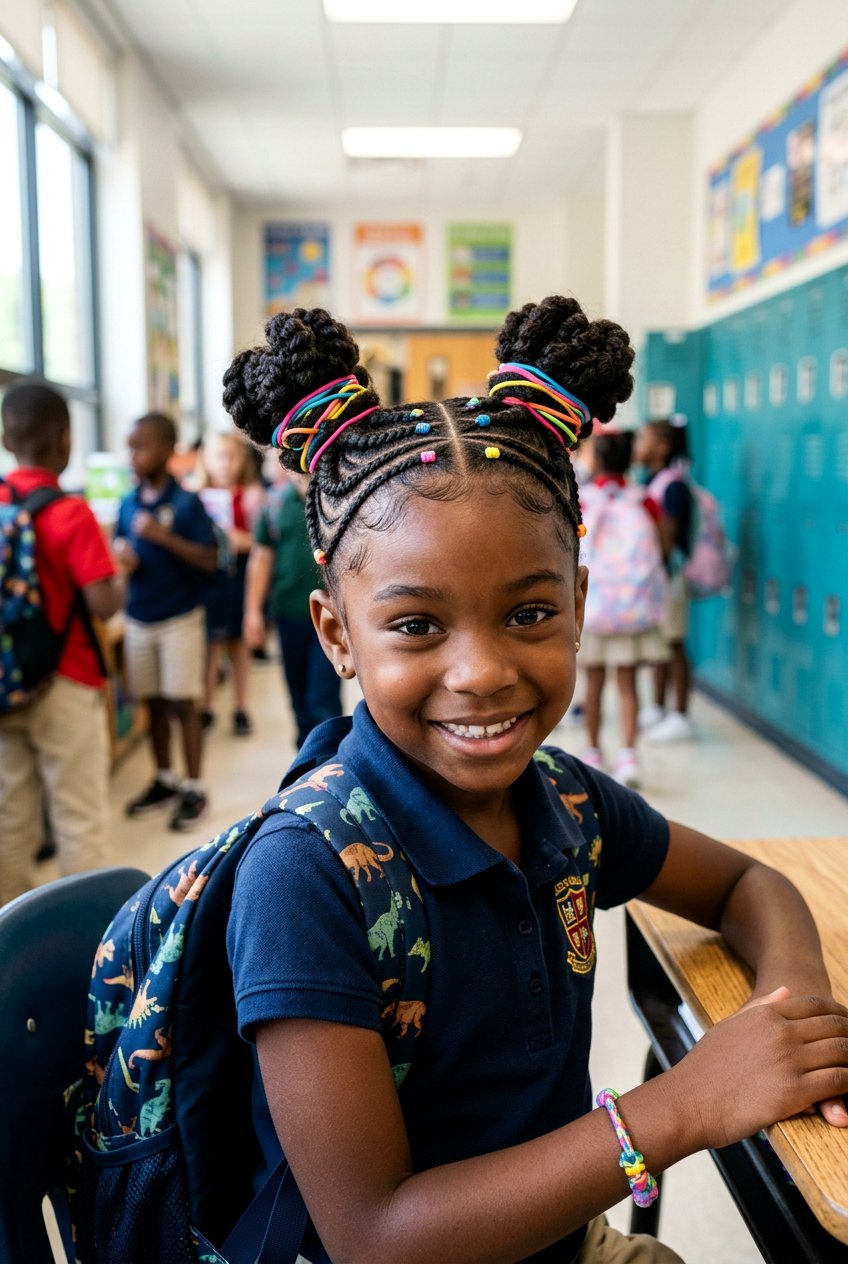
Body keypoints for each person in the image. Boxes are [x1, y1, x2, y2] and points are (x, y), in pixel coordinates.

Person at [222, 299, 848, 1264]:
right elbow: (374, 1237)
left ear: (582, 606)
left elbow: (744, 884)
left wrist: (789, 1018)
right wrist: (681, 1105)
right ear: (337, 633)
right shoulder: (306, 877)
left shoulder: (562, 798)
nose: (482, 671)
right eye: (418, 626)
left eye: (528, 614)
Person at [0, 381, 123, 904]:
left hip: (6, 683)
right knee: (78, 817)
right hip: (67, 681)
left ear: (7, 439)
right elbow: (103, 604)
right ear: (64, 441)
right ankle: (83, 946)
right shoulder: (71, 513)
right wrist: (124, 572)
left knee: (9, 818)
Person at [114, 411, 217, 830]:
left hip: (179, 617)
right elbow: (121, 551)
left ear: (167, 451)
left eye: (142, 446)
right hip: (139, 617)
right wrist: (126, 560)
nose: (134, 456)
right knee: (152, 702)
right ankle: (164, 779)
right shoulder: (126, 503)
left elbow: (210, 559)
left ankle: (194, 787)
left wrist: (163, 538)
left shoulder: (186, 503)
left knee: (182, 704)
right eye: (131, 447)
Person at [578, 429, 668, 786]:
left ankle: (592, 750)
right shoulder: (642, 498)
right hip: (631, 608)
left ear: (597, 460)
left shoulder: (584, 499)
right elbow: (661, 547)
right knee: (628, 682)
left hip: (595, 606)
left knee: (593, 682)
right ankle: (629, 754)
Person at [243, 470, 342, 749]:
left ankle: (329, 764)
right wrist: (252, 613)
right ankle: (306, 759)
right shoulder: (274, 505)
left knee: (321, 700)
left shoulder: (335, 499)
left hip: (330, 619)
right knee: (298, 698)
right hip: (288, 615)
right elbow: (261, 558)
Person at [193, 429, 264, 736]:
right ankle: (207, 706)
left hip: (240, 578)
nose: (225, 463)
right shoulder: (195, 496)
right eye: (218, 456)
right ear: (205, 461)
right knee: (210, 645)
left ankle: (241, 706)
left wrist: (241, 540)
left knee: (238, 646)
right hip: (208, 582)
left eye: (232, 456)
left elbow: (262, 544)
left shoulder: (250, 496)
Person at [632, 418, 694, 742]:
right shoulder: (650, 479)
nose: (637, 445)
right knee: (660, 641)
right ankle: (657, 707)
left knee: (674, 643)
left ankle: (680, 714)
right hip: (655, 579)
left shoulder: (673, 486)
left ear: (662, 447)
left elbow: (666, 542)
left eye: (643, 438)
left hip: (669, 578)